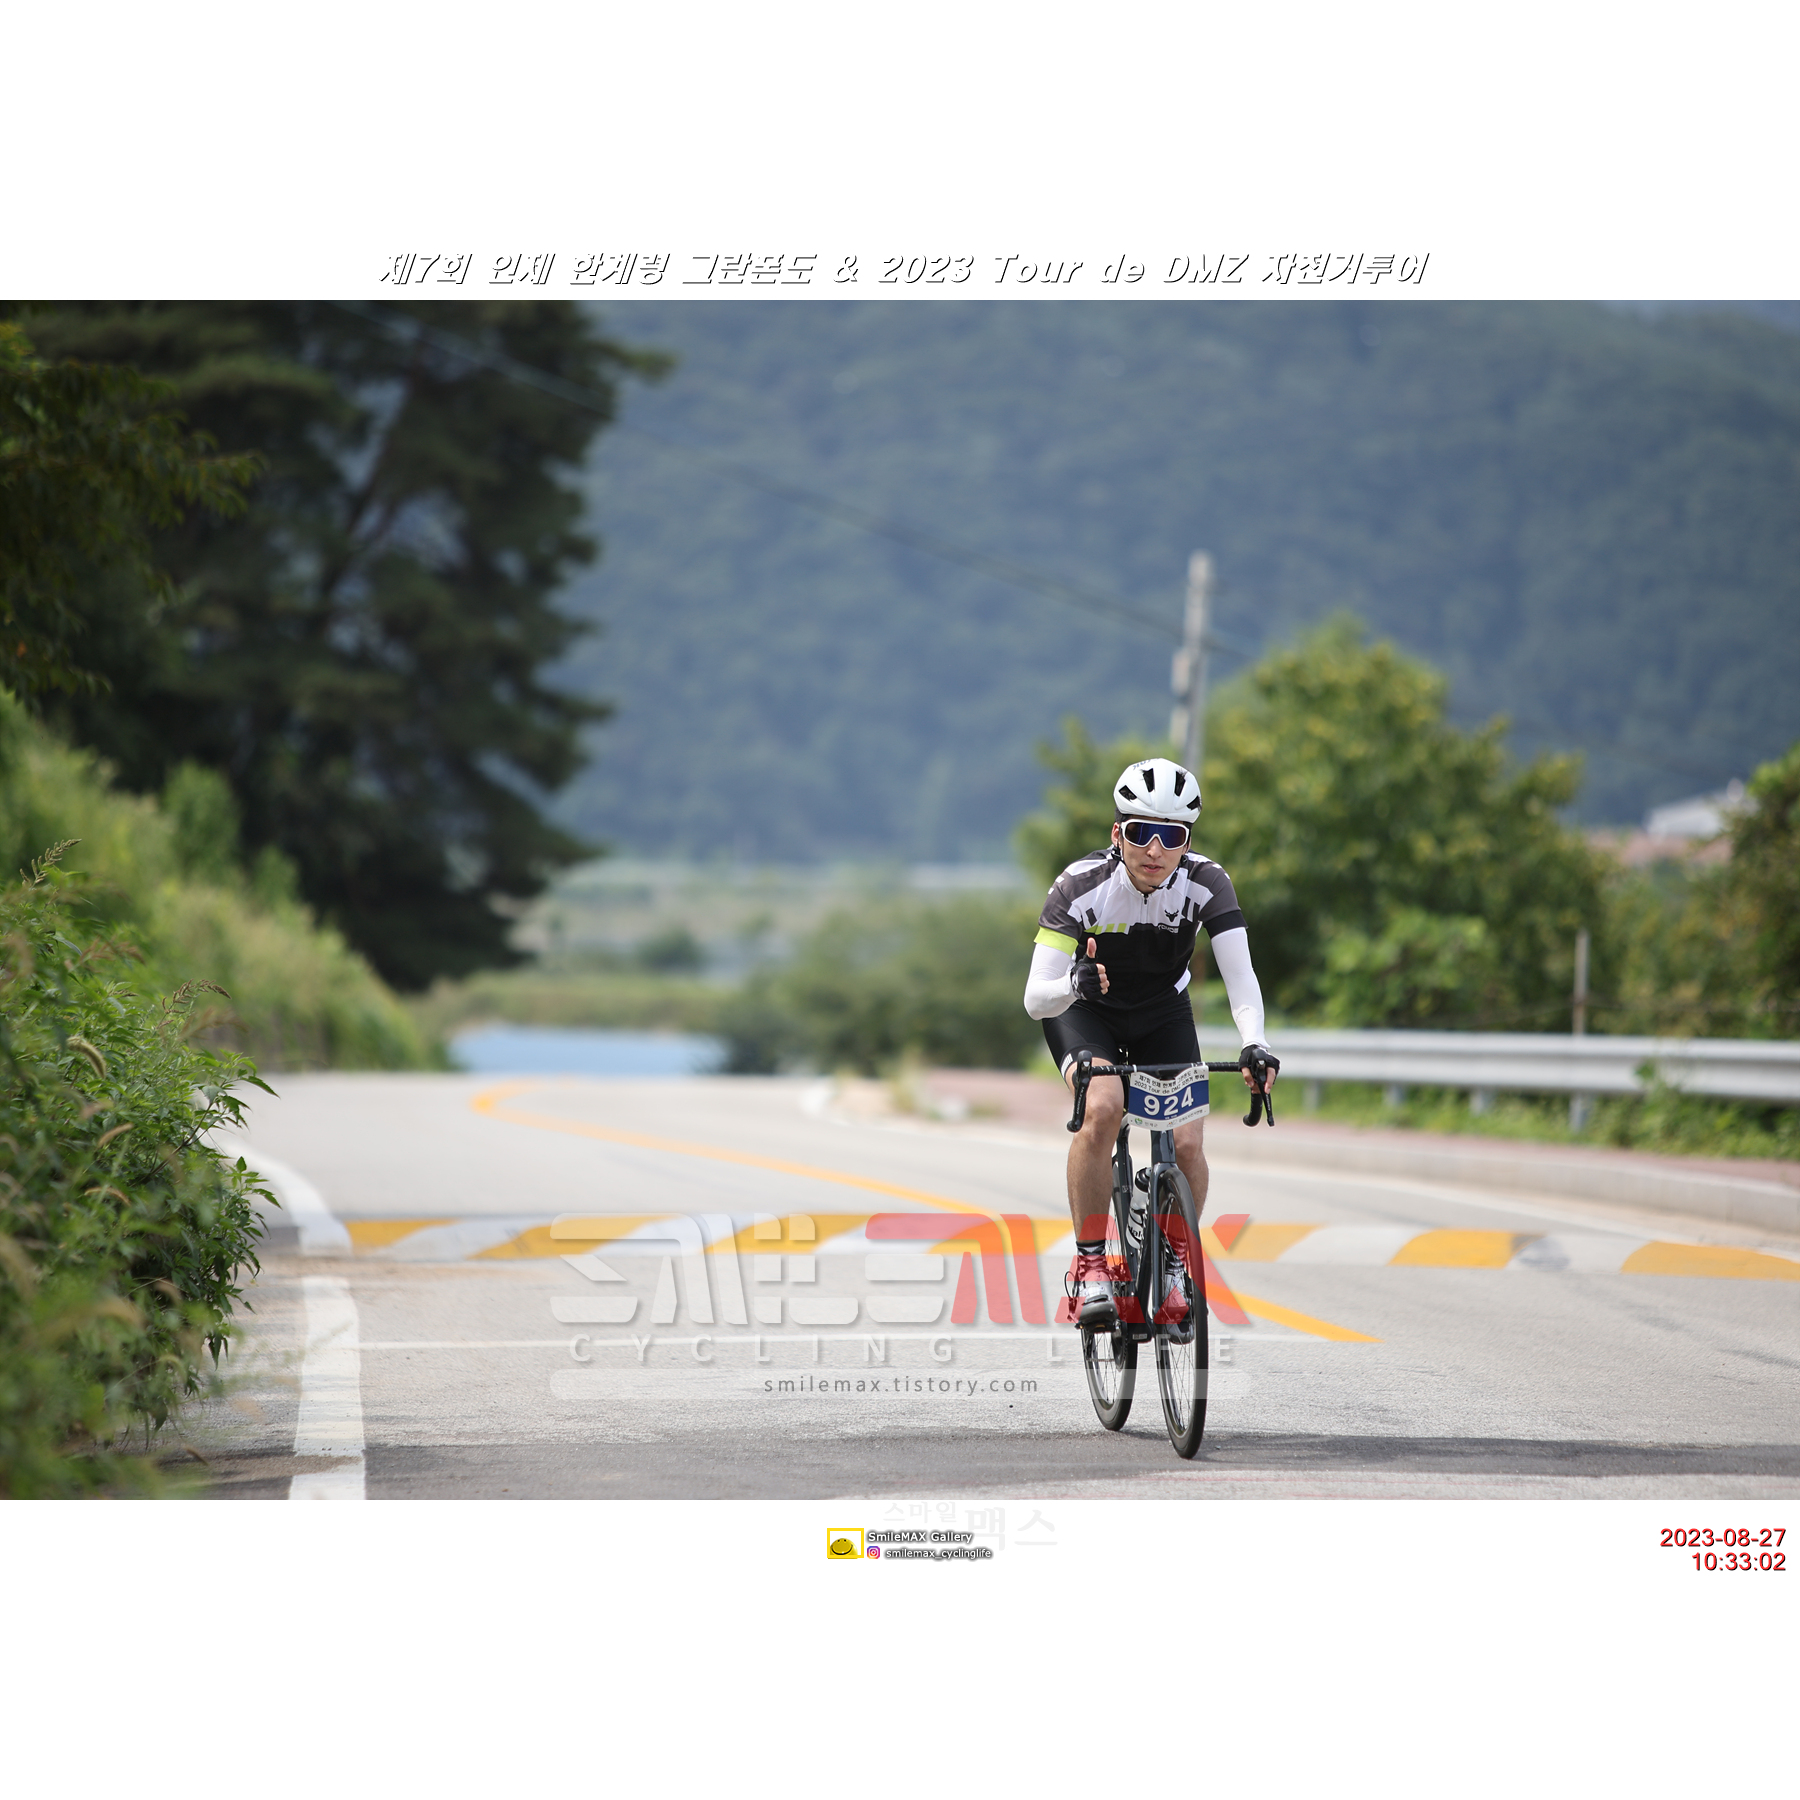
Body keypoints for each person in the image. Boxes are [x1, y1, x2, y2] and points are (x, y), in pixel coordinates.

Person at [1022, 756, 1279, 1324]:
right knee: (1103, 1108)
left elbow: (1241, 976)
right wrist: (1072, 983)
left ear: (1188, 842)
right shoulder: (1078, 886)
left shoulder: (1206, 882)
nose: (1155, 849)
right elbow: (1035, 998)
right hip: (1085, 1010)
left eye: (1173, 836)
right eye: (1141, 833)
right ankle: (1091, 1265)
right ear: (1118, 834)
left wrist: (1254, 1042)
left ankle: (1173, 1266)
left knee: (1187, 1143)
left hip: (1162, 1011)